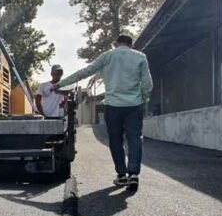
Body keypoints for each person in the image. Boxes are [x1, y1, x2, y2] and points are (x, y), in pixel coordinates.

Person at [53, 34, 153, 188]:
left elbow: (84, 72)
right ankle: (133, 173)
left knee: (115, 140)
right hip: (134, 105)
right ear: (131, 45)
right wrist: (143, 100)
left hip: (113, 105)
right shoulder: (140, 57)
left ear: (116, 44)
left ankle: (122, 175)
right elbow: (147, 83)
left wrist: (60, 84)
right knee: (135, 138)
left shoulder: (107, 56)